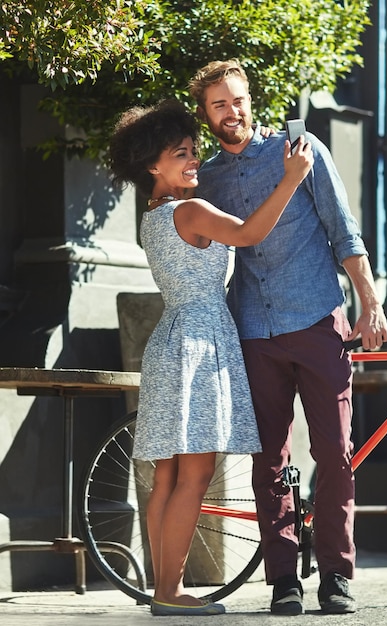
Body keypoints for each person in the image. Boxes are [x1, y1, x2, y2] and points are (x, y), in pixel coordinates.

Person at [189, 59, 387, 616]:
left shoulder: (301, 154)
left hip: (318, 320)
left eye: (239, 99)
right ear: (206, 115)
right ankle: (283, 580)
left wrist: (369, 305)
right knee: (269, 459)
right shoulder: (206, 178)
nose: (234, 111)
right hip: (253, 330)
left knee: (334, 452)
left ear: (252, 98)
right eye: (219, 104)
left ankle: (336, 576)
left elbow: (344, 232)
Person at [107, 99, 313, 617]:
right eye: (182, 153)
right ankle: (171, 593)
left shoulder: (152, 218)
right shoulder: (191, 211)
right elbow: (247, 235)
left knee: (168, 478)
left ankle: (162, 590)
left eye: (195, 151)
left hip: (171, 339)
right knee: (194, 477)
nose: (194, 160)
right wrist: (291, 178)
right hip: (201, 341)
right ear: (154, 165)